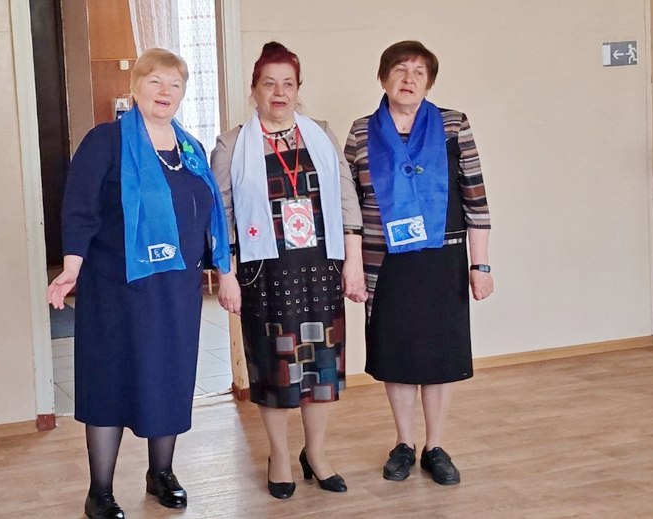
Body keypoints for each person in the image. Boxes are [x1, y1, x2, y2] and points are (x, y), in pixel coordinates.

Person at [46, 48, 230, 517]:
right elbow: (80, 208)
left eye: (175, 84)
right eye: (155, 81)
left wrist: (223, 270)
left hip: (176, 290)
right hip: (116, 287)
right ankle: (100, 491)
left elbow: (209, 213)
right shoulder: (105, 141)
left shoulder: (189, 149)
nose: (165, 92)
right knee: (109, 381)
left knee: (169, 377)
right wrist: (71, 267)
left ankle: (161, 472)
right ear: (136, 88)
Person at [211, 42, 366, 499]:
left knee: (321, 369)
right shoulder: (232, 144)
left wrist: (353, 262)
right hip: (266, 273)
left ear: (298, 89)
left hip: (319, 268)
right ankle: (278, 455)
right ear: (254, 89)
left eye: (288, 84)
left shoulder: (321, 134)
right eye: (269, 83)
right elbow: (221, 217)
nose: (279, 92)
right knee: (274, 369)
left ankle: (315, 453)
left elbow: (347, 201)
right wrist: (225, 275)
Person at [344, 40, 493, 486]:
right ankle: (404, 443)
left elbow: (476, 198)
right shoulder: (361, 132)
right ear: (383, 77)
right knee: (397, 352)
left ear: (429, 82)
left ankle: (436, 446)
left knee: (440, 353)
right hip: (386, 259)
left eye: (419, 73)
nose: (408, 79)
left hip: (443, 256)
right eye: (400, 70)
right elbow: (349, 207)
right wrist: (352, 265)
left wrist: (481, 265)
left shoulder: (453, 124)